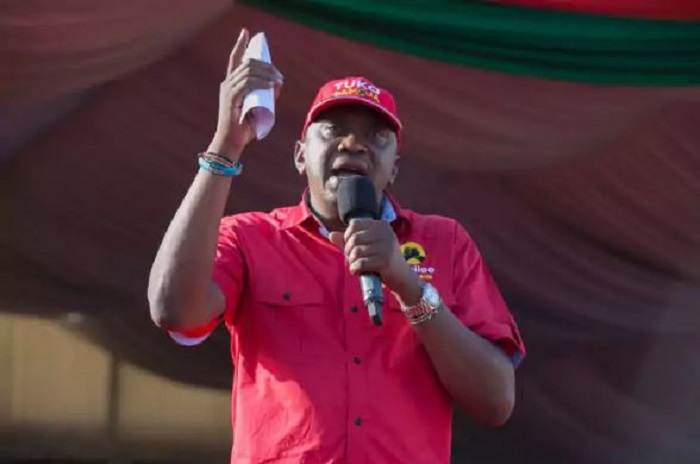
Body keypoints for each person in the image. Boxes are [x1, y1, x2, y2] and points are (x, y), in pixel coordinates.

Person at [148, 28, 525, 464]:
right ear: (300, 155)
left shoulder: (445, 242)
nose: (353, 144)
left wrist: (409, 286)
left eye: (376, 136)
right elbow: (174, 310)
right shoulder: (252, 238)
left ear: (394, 168)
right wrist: (226, 145)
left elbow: (496, 400)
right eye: (333, 129)